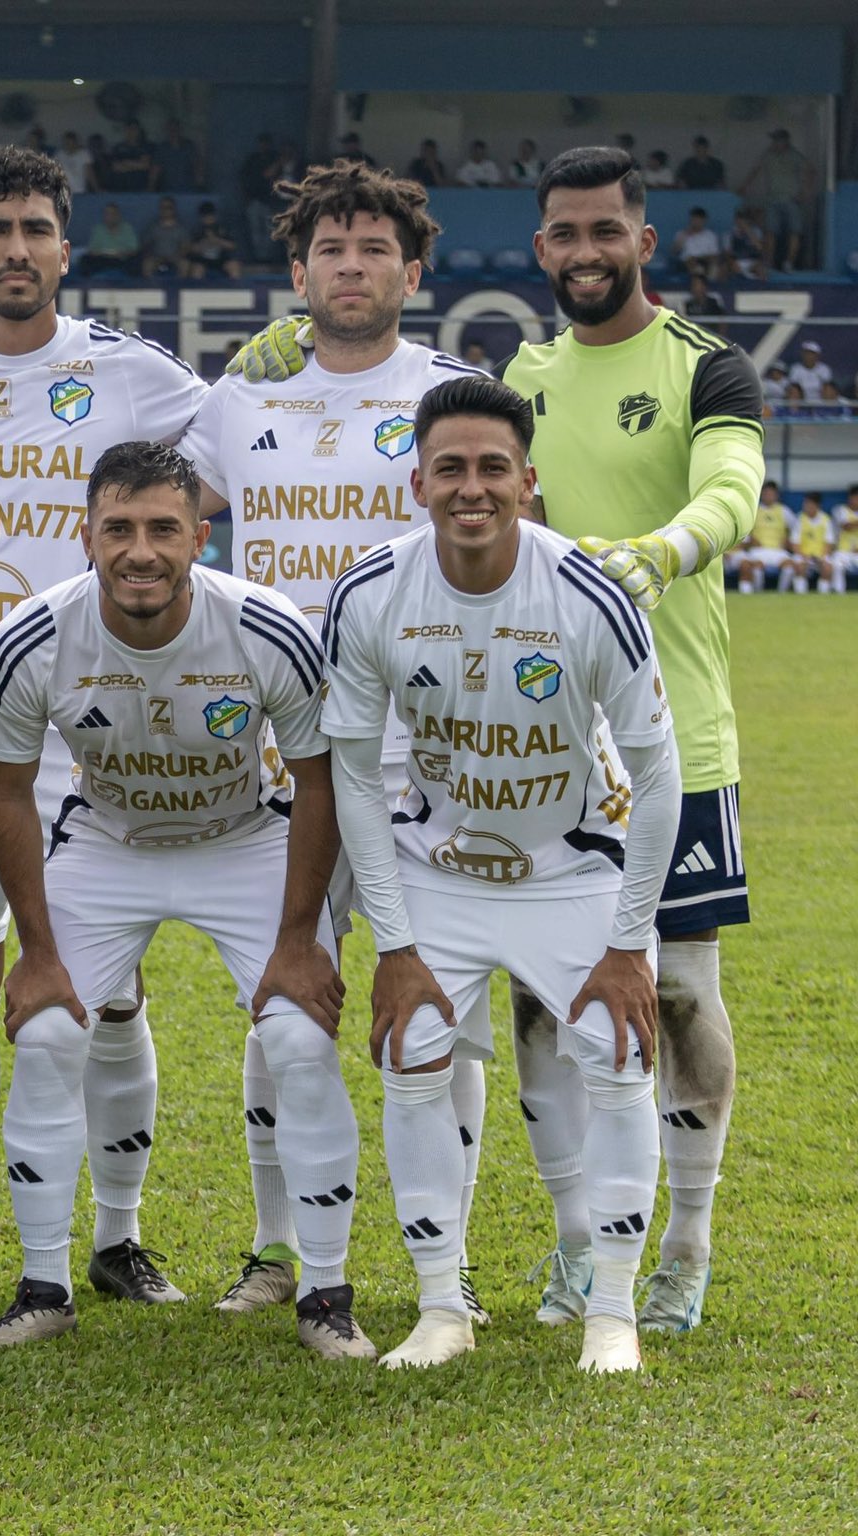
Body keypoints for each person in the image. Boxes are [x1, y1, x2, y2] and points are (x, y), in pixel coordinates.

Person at [0, 144, 209, 1298]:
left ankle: (114, 1239)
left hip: (81, 732)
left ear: (65, 249)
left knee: (103, 987)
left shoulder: (132, 372)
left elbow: (223, 466)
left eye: (33, 230)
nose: (14, 250)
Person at [0, 441, 374, 1359]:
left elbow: (318, 783)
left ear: (200, 537)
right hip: (110, 842)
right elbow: (6, 792)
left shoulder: (266, 627)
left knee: (299, 1040)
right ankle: (44, 1288)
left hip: (245, 839)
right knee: (48, 1032)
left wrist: (300, 938)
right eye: (118, 529)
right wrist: (36, 951)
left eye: (163, 529)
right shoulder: (33, 636)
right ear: (85, 536)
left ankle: (325, 1295)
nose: (140, 551)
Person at [185, 158, 496, 1321]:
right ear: (297, 273)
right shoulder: (239, 398)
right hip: (281, 751)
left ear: (410, 274)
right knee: (283, 999)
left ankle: (445, 1257)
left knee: (442, 1005)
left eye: (373, 250)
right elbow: (167, 521)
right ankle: (276, 1250)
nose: (350, 267)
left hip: (430, 747)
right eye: (330, 250)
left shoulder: (453, 391)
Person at [324, 374, 681, 1375]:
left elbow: (659, 778)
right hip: (439, 867)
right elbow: (355, 776)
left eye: (492, 469)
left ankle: (610, 1310)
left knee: (617, 1060)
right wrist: (394, 943)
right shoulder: (369, 593)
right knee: (409, 1059)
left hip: (575, 866)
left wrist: (627, 943)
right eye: (450, 469)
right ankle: (441, 1306)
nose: (470, 488)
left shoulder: (590, 597)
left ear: (527, 482)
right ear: (417, 484)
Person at [501, 146, 763, 1330]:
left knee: (680, 995)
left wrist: (659, 552)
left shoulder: (704, 365)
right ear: (540, 246)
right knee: (538, 998)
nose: (583, 252)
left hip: (676, 736)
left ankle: (687, 1247)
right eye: (563, 233)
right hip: (542, 745)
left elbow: (731, 490)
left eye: (604, 230)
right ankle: (572, 1244)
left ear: (642, 242)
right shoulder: (521, 374)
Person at [740, 128, 815, 272]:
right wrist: (744, 186)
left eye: (776, 140)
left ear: (784, 141)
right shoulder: (768, 155)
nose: (773, 143)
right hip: (772, 199)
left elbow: (811, 170)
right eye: (773, 140)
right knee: (770, 231)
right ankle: (769, 262)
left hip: (791, 199)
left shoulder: (795, 155)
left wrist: (806, 192)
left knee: (794, 231)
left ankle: (789, 262)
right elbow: (756, 170)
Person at [730, 480, 793, 593]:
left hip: (778, 551)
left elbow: (796, 529)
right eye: (766, 493)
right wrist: (751, 540)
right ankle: (758, 593)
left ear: (776, 495)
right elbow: (746, 533)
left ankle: (782, 594)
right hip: (758, 551)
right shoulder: (754, 511)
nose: (768, 496)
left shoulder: (784, 511)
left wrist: (787, 539)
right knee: (756, 567)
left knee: (789, 567)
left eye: (771, 493)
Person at [785, 491, 833, 592]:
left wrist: (822, 557)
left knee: (827, 567)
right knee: (799, 566)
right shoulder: (799, 519)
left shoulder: (826, 520)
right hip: (803, 555)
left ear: (817, 505)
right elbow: (794, 543)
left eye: (810, 504)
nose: (807, 507)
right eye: (806, 504)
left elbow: (829, 543)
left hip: (820, 555)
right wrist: (804, 556)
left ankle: (823, 594)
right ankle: (801, 593)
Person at [80, 202, 141, 279]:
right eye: (107, 214)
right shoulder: (98, 229)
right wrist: (101, 253)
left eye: (113, 214)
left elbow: (134, 249)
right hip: (103, 259)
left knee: (136, 261)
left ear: (118, 216)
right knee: (85, 260)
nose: (110, 216)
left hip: (122, 259)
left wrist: (122, 253)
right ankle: (88, 282)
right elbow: (92, 250)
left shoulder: (127, 228)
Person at [183, 204, 242, 279]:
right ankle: (197, 286)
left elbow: (233, 246)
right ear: (201, 217)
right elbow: (192, 249)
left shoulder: (223, 228)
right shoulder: (197, 230)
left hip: (221, 259)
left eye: (211, 216)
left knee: (234, 266)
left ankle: (236, 286)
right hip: (202, 260)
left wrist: (217, 240)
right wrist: (204, 243)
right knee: (196, 269)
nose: (208, 218)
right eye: (205, 216)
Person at [141, 198, 187, 279]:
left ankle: (178, 285)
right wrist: (151, 255)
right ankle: (150, 286)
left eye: (168, 207)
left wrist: (177, 255)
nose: (166, 210)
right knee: (147, 264)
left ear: (173, 209)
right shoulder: (153, 227)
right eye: (163, 208)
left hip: (175, 257)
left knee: (185, 264)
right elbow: (146, 244)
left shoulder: (181, 228)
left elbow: (185, 246)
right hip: (157, 257)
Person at [671, 208, 721, 280]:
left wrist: (700, 258)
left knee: (714, 267)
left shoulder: (711, 236)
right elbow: (674, 252)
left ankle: (709, 282)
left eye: (698, 220)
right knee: (691, 262)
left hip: (705, 261)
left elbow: (714, 255)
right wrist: (684, 237)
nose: (696, 222)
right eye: (694, 220)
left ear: (704, 221)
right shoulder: (681, 234)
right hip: (686, 263)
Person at [104, 122, 155, 192]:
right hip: (120, 187)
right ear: (125, 130)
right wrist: (136, 165)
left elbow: (145, 165)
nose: (131, 131)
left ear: (139, 131)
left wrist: (127, 163)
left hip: (140, 186)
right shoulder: (118, 148)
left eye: (134, 129)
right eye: (128, 129)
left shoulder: (146, 147)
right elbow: (116, 167)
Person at [153, 123, 203, 192]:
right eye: (171, 130)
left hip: (188, 189)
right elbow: (156, 169)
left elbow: (197, 166)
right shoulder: (162, 148)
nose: (173, 132)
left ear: (180, 130)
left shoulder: (189, 147)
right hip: (167, 190)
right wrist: (151, 187)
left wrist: (199, 184)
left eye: (175, 129)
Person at [831, 485, 858, 593]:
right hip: (842, 551)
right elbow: (846, 526)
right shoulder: (840, 510)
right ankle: (839, 593)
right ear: (850, 498)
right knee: (838, 566)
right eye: (855, 498)